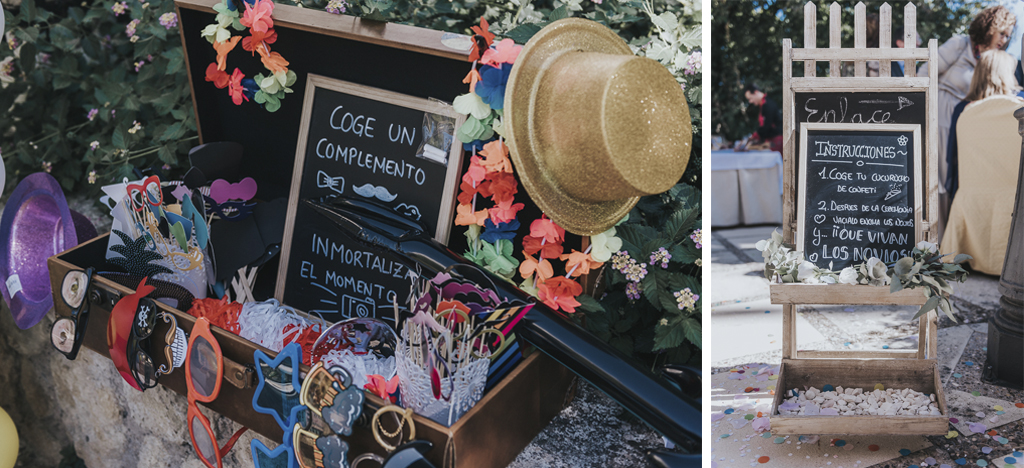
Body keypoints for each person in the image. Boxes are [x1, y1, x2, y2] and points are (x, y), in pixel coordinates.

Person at [918, 5, 1016, 239]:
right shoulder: (960, 45)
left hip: (968, 121)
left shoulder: (995, 58)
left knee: (960, 179)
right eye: (1002, 32)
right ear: (989, 27)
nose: (1005, 39)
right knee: (940, 179)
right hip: (941, 114)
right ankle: (937, 240)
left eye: (1009, 36)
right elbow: (923, 73)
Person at [945, 49, 1022, 202]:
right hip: (1014, 198)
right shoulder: (1019, 107)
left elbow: (953, 158)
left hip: (971, 199)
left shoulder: (963, 109)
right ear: (1008, 74)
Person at [743, 83, 783, 152]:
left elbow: (766, 126)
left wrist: (754, 136)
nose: (750, 101)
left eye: (750, 98)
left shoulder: (768, 104)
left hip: (776, 141)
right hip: (770, 141)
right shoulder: (763, 105)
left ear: (755, 92)